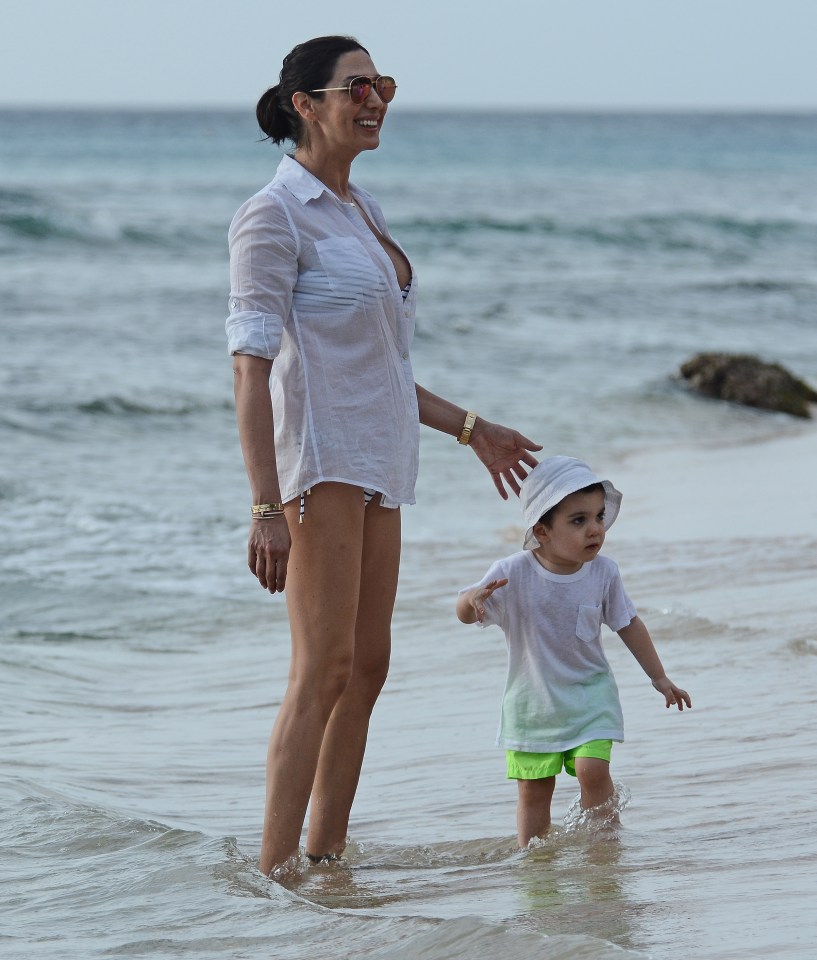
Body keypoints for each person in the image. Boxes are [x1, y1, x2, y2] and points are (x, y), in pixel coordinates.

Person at [226, 35, 542, 875]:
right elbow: (248, 370)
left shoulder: (361, 211)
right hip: (319, 467)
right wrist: (265, 506)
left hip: (381, 463)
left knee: (367, 667)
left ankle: (324, 860)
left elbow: (382, 368)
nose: (376, 100)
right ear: (305, 104)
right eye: (356, 85)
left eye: (384, 85)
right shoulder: (273, 214)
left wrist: (474, 429)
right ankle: (271, 871)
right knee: (320, 669)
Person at [456, 456, 691, 847]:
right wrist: (471, 601)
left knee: (592, 769)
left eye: (599, 516)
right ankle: (536, 870)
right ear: (542, 530)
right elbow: (464, 612)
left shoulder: (604, 573)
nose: (595, 529)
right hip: (532, 705)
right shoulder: (511, 572)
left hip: (590, 695)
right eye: (578, 520)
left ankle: (604, 846)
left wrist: (659, 676)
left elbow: (628, 623)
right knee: (534, 791)